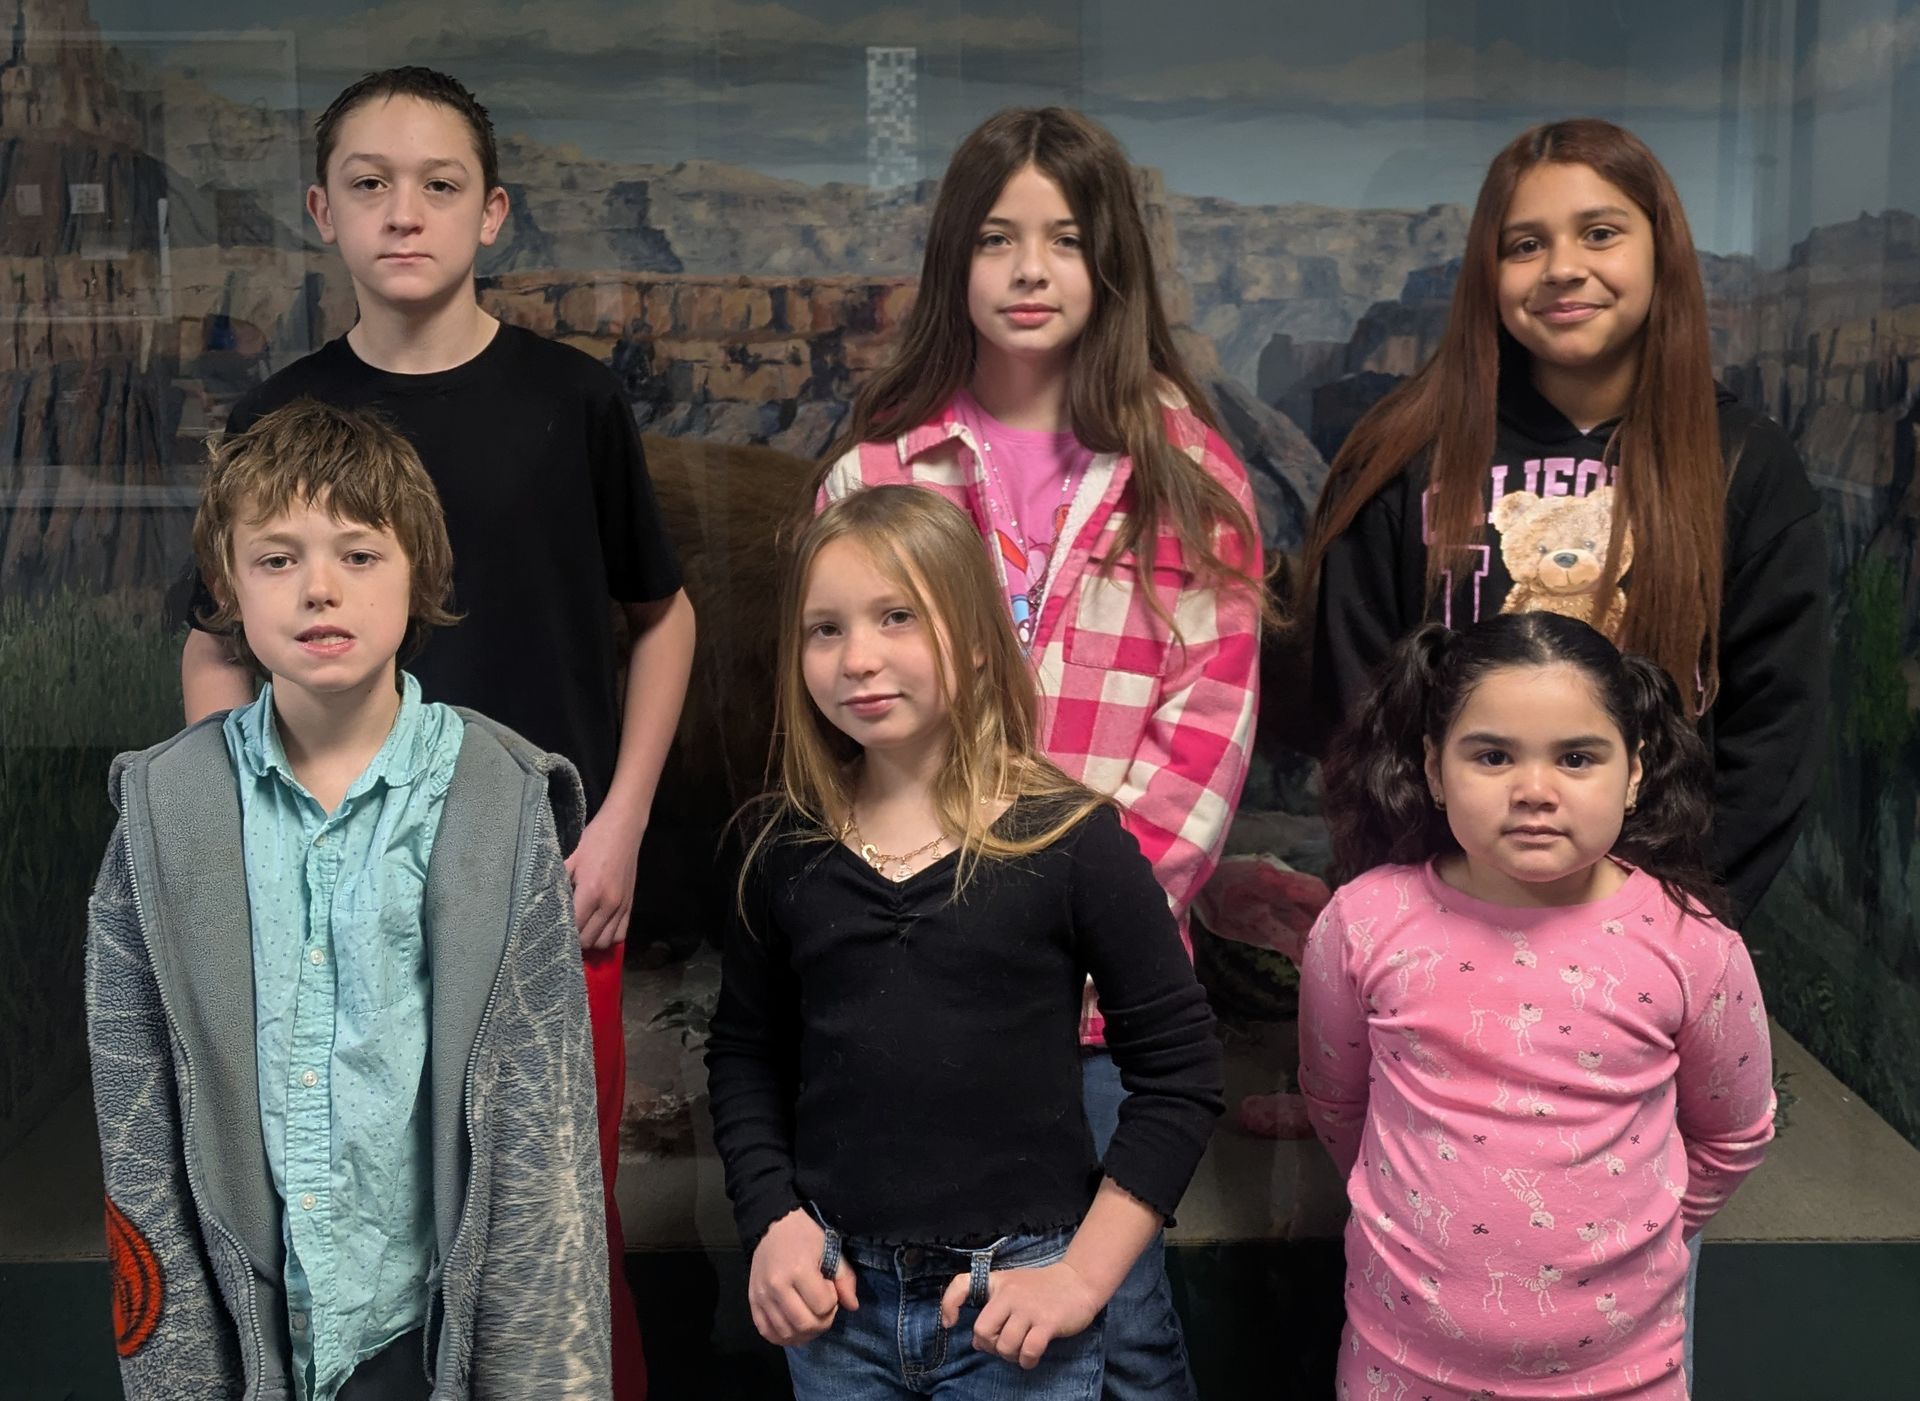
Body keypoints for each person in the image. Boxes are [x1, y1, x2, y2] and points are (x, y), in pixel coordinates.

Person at [175, 68, 694, 1395]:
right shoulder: (277, 416)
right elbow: (215, 641)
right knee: (362, 1232)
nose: (403, 212)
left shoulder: (572, 404)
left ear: (493, 213)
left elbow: (662, 617)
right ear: (322, 211)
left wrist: (621, 822)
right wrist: (245, 849)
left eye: (439, 184)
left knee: (557, 1232)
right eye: (370, 184)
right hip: (339, 908)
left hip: (542, 892)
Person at [816, 108, 1264, 1398]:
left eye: (1065, 240)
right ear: (953, 259)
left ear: (1110, 263)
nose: (1029, 270)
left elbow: (1204, 747)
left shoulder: (1188, 477)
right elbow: (833, 736)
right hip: (912, 986)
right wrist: (940, 937)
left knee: (1123, 1322)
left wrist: (1060, 927)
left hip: (1102, 1005)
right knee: (935, 1307)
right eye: (997, 239)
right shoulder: (878, 472)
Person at [88, 400, 608, 1400]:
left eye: (360, 555)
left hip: (426, 1332)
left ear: (421, 576)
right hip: (248, 1335)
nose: (319, 587)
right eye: (277, 558)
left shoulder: (499, 804)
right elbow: (136, 1122)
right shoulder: (164, 814)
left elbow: (542, 1134)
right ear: (227, 586)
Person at [705, 486, 1224, 1399]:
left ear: (979, 639)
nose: (858, 657)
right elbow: (746, 1052)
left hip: (1016, 1313)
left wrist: (1083, 1275)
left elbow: (1180, 1072)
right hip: (836, 1308)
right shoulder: (779, 849)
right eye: (825, 629)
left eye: (897, 616)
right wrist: (772, 1216)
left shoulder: (1071, 842)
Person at [1299, 117, 1825, 934]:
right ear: (1488, 270)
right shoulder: (1402, 453)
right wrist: (1423, 906)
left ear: (1660, 250)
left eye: (1600, 233)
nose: (1563, 268)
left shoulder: (1745, 465)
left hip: (1653, 936)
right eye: (1525, 245)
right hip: (1434, 922)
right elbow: (1359, 703)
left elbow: (1775, 732)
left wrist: (1671, 924)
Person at [1300, 612, 1776, 1400]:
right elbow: (1338, 1103)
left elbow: (1733, 1134)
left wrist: (1640, 1240)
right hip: (1399, 1366)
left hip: (1624, 1377)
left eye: (1577, 757)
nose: (1534, 791)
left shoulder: (1694, 947)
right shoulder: (1362, 925)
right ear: (1433, 766)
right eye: (1492, 755)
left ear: (1634, 770)